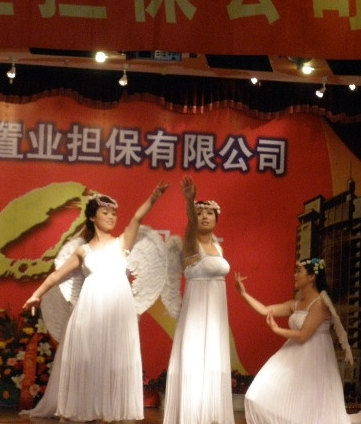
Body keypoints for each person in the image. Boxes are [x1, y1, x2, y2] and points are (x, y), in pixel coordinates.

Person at [22, 181, 169, 423]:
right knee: (89, 357)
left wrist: (153, 197)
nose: (111, 217)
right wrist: (36, 294)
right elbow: (56, 276)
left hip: (118, 308)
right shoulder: (84, 251)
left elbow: (137, 218)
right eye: (105, 212)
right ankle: (87, 408)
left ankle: (109, 409)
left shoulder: (122, 243)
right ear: (92, 217)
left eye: (113, 213)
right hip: (90, 308)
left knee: (115, 358)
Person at [234, 258, 361, 424]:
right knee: (258, 394)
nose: (295, 275)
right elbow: (265, 310)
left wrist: (277, 329)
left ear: (311, 277)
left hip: (314, 359)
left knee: (319, 417)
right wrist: (243, 293)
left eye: (299, 271)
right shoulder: (296, 304)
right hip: (293, 355)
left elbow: (303, 335)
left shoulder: (320, 304)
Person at [162, 175, 235, 424]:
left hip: (216, 311)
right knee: (195, 356)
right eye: (200, 213)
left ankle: (211, 413)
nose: (204, 217)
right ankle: (192, 414)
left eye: (209, 213)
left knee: (213, 355)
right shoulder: (191, 244)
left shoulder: (218, 248)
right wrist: (189, 201)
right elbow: (191, 225)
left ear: (216, 219)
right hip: (196, 310)